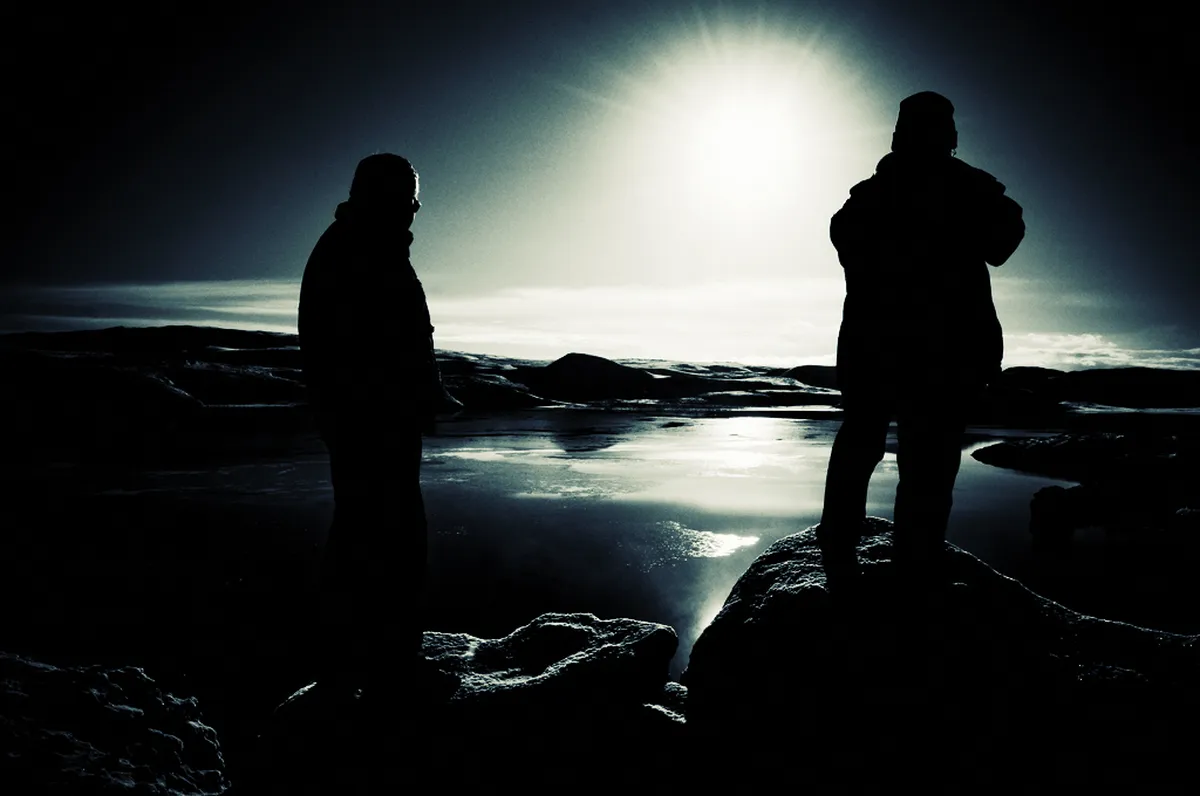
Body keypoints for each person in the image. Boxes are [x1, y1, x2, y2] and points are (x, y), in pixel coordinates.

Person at [817, 92, 1025, 590]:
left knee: (892, 450)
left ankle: (867, 553)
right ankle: (897, 561)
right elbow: (1001, 239)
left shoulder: (875, 196)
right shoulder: (911, 194)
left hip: (895, 349)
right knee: (910, 454)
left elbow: (1002, 240)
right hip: (927, 351)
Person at [297, 153, 462, 695]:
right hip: (370, 421)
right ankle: (382, 666)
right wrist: (400, 396)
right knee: (384, 536)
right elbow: (366, 344)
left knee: (373, 533)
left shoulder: (368, 246)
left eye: (415, 202)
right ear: (382, 196)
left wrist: (427, 392)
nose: (414, 211)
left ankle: (363, 659)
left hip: (375, 417)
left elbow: (401, 335)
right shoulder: (358, 250)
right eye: (408, 200)